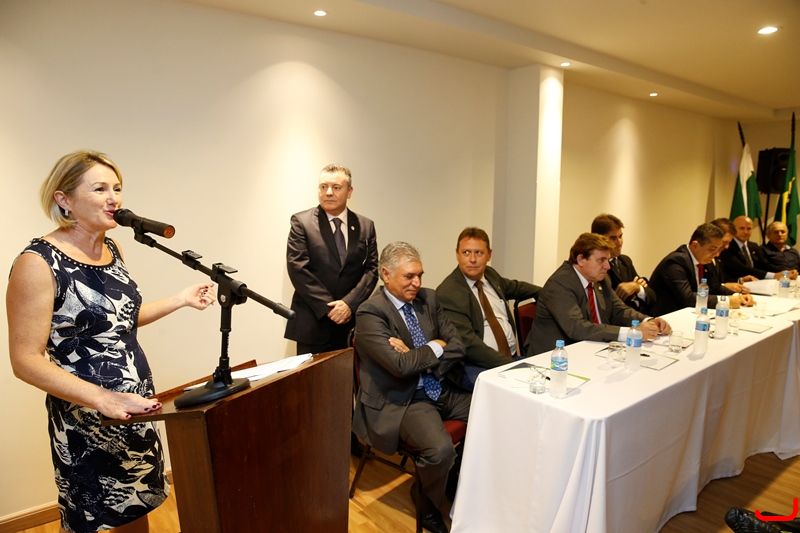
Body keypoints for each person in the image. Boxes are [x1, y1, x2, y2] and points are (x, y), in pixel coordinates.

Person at [7, 150, 217, 533]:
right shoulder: (37, 263)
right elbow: (25, 360)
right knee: (95, 521)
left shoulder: (113, 248)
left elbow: (117, 320)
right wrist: (103, 398)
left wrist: (180, 299)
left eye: (117, 188)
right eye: (100, 188)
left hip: (135, 406)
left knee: (136, 512)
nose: (113, 198)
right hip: (87, 419)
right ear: (64, 199)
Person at [353, 242, 470, 533]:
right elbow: (400, 368)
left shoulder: (429, 298)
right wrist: (436, 345)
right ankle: (426, 501)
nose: (417, 283)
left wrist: (419, 354)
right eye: (409, 276)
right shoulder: (370, 313)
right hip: (402, 398)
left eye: (420, 275)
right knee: (440, 451)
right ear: (386, 274)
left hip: (438, 385)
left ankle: (450, 479)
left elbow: (458, 346)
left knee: (491, 411)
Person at [524, 233, 671, 357]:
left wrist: (649, 321)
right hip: (556, 358)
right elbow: (577, 328)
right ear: (581, 259)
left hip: (593, 349)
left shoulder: (600, 279)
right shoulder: (559, 284)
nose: (607, 266)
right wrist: (632, 333)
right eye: (602, 260)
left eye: (608, 260)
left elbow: (619, 310)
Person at [285, 164, 379, 355]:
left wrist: (348, 304)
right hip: (314, 323)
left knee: (350, 374)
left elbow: (371, 269)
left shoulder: (365, 226)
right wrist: (330, 308)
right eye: (323, 187)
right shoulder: (301, 222)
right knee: (312, 376)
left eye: (336, 187)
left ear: (349, 191)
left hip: (351, 323)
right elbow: (298, 269)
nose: (328, 192)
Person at [435, 227, 541, 389]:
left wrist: (547, 293)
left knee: (548, 379)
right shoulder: (448, 293)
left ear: (489, 255)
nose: (472, 259)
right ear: (457, 254)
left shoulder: (490, 275)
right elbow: (469, 345)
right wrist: (511, 366)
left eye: (478, 253)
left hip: (509, 359)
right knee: (523, 390)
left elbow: (516, 287)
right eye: (466, 252)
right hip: (474, 366)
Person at [649, 223, 754, 316]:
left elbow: (715, 287)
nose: (717, 254)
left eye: (718, 249)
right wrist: (725, 300)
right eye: (712, 249)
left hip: (690, 313)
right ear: (695, 245)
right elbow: (687, 298)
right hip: (666, 316)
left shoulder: (704, 259)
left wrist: (738, 296)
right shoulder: (675, 262)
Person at [590, 214, 656, 313]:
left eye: (620, 236)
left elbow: (652, 297)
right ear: (599, 239)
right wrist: (634, 295)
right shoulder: (595, 267)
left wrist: (636, 287)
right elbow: (610, 306)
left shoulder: (625, 261)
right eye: (613, 238)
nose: (619, 242)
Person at [720, 215, 786, 281]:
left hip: (756, 282)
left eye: (749, 229)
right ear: (733, 229)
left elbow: (764, 264)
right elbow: (741, 269)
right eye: (742, 228)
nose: (746, 232)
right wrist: (773, 275)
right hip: (735, 282)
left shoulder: (754, 246)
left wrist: (785, 272)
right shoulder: (726, 246)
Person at [708, 218, 751, 294]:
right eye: (725, 242)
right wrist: (723, 286)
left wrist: (739, 280)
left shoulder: (718, 257)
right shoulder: (703, 257)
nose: (727, 247)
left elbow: (720, 280)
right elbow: (703, 286)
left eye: (729, 243)